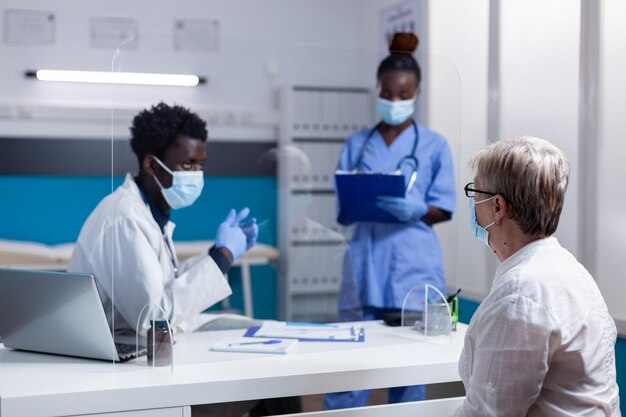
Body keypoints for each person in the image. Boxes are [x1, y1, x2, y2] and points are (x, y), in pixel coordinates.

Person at [69, 102, 300, 417]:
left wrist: (220, 254)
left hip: (145, 346)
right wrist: (222, 256)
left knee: (270, 339)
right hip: (124, 360)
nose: (197, 175)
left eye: (201, 165)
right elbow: (153, 317)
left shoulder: (150, 212)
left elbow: (165, 284)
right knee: (273, 378)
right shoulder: (124, 218)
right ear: (152, 164)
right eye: (188, 165)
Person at [324, 32, 456, 409]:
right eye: (388, 94)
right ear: (377, 90)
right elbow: (343, 209)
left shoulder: (434, 146)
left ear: (417, 94)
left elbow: (443, 208)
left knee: (408, 376)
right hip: (365, 266)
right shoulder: (356, 144)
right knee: (350, 370)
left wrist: (416, 208)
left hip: (412, 268)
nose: (394, 101)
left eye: (403, 95)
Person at [454, 137, 620, 416]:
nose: (473, 206)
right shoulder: (565, 269)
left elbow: (488, 413)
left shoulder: (521, 295)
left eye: (475, 194)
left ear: (498, 207)